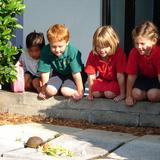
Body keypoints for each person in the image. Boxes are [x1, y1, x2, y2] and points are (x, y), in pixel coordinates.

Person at [37, 24, 86, 100]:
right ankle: (59, 89)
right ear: (49, 43)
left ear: (67, 43)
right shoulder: (45, 51)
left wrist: (80, 91)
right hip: (58, 74)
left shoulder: (72, 52)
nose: (57, 50)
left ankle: (69, 89)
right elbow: (45, 73)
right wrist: (43, 91)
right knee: (49, 90)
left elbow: (76, 74)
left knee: (65, 91)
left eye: (60, 46)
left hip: (72, 75)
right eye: (53, 46)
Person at [85, 26, 126, 102]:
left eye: (105, 47)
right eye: (98, 47)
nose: (101, 50)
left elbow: (120, 76)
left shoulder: (119, 53)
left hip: (115, 80)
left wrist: (122, 94)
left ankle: (111, 92)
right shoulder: (93, 54)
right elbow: (91, 76)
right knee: (95, 93)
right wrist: (90, 93)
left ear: (112, 44)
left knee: (108, 93)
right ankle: (103, 92)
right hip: (102, 80)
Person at [125, 21, 160, 106]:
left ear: (154, 41)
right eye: (136, 43)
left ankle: (151, 95)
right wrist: (128, 96)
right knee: (135, 94)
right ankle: (147, 95)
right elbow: (131, 76)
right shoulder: (134, 52)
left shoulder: (158, 53)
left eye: (142, 43)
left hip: (156, 78)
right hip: (144, 78)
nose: (139, 47)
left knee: (153, 95)